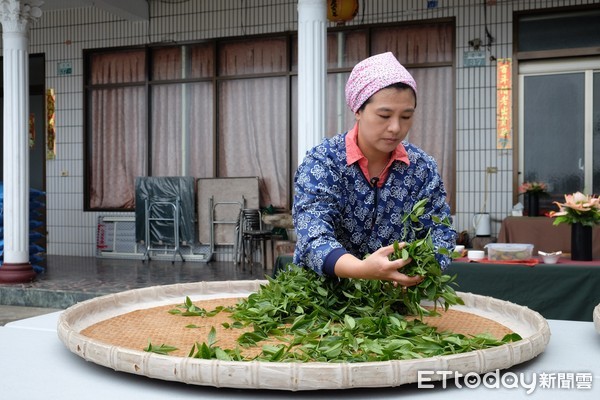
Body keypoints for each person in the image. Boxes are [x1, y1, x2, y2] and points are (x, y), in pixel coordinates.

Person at [292, 52, 456, 288]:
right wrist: (361, 270)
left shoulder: (422, 168)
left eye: (406, 116)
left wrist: (418, 271)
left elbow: (441, 233)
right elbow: (313, 234)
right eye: (384, 115)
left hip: (395, 298)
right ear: (358, 110)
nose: (396, 127)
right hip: (324, 295)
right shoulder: (324, 162)